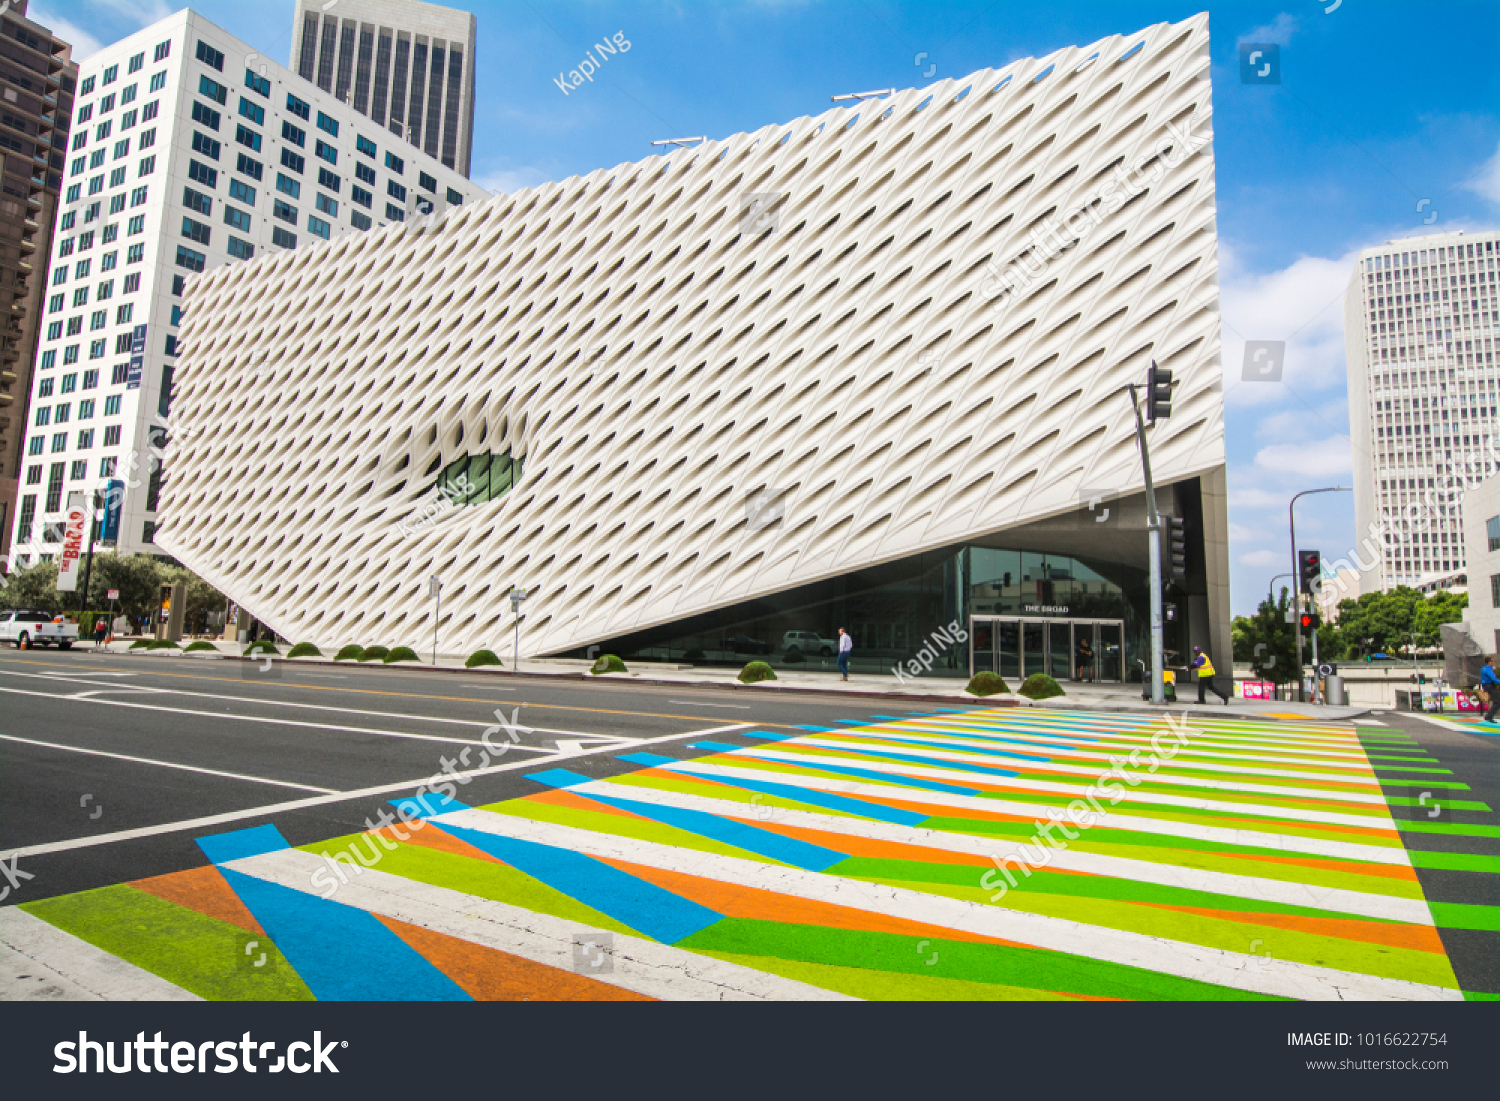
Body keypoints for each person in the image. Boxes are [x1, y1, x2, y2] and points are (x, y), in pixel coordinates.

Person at [1481, 657, 1500, 723]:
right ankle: (1489, 717)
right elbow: (1493, 678)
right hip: (1489, 685)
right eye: (1493, 661)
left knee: (1497, 701)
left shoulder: (1484, 668)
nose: (1494, 662)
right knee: (1497, 701)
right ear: (1489, 662)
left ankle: (1488, 716)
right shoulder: (1488, 669)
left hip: (1487, 685)